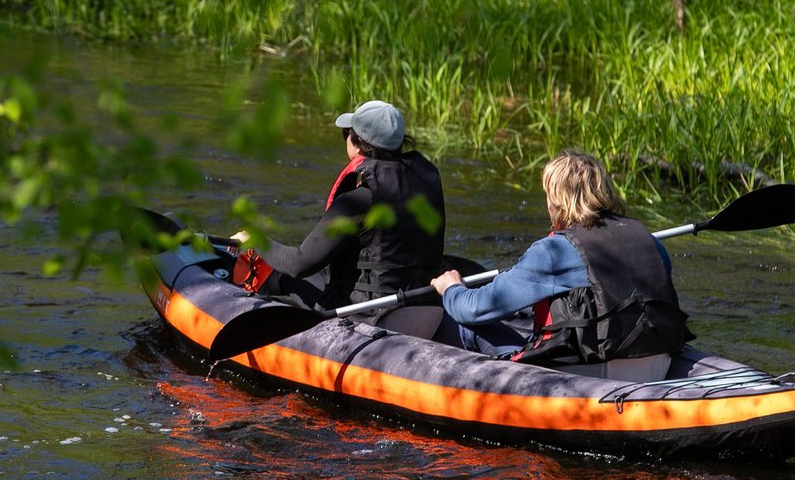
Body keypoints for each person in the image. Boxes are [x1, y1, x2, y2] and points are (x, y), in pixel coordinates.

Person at [429, 149, 692, 374]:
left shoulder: (555, 250)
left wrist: (452, 289)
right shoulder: (648, 239)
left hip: (596, 374)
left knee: (467, 325)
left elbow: (476, 308)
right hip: (661, 363)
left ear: (558, 201)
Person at [233, 100, 446, 319]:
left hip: (371, 314)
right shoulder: (423, 184)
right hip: (423, 307)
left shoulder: (358, 199)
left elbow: (299, 264)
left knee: (280, 277)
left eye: (347, 133)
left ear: (357, 143)